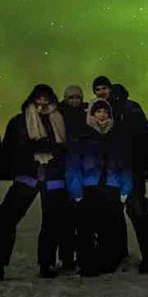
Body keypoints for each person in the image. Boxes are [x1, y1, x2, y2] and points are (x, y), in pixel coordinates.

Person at [0, 84, 68, 284]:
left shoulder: (60, 121)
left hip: (54, 178)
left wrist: (53, 156)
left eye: (47, 98)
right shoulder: (19, 121)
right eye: (39, 98)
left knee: (52, 222)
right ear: (32, 99)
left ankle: (46, 264)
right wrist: (32, 156)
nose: (43, 102)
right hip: (27, 177)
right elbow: (9, 149)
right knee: (5, 219)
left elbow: (67, 148)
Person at [65, 98, 132, 276]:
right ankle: (88, 263)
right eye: (98, 111)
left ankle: (106, 261)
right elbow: (74, 165)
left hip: (111, 187)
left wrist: (125, 189)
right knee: (86, 227)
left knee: (108, 227)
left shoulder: (116, 136)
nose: (102, 115)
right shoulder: (82, 135)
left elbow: (124, 164)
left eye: (105, 112)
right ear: (92, 114)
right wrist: (76, 191)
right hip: (90, 187)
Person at [111, 83, 148, 274]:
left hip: (132, 169)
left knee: (138, 208)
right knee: (116, 212)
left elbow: (146, 137)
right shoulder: (104, 110)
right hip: (114, 171)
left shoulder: (132, 109)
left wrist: (147, 164)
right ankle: (119, 252)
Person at [57, 85, 88, 271]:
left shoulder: (86, 115)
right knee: (65, 218)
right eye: (71, 97)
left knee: (83, 217)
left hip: (82, 171)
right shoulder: (58, 115)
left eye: (78, 97)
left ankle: (83, 256)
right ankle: (67, 258)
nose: (75, 100)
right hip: (63, 171)